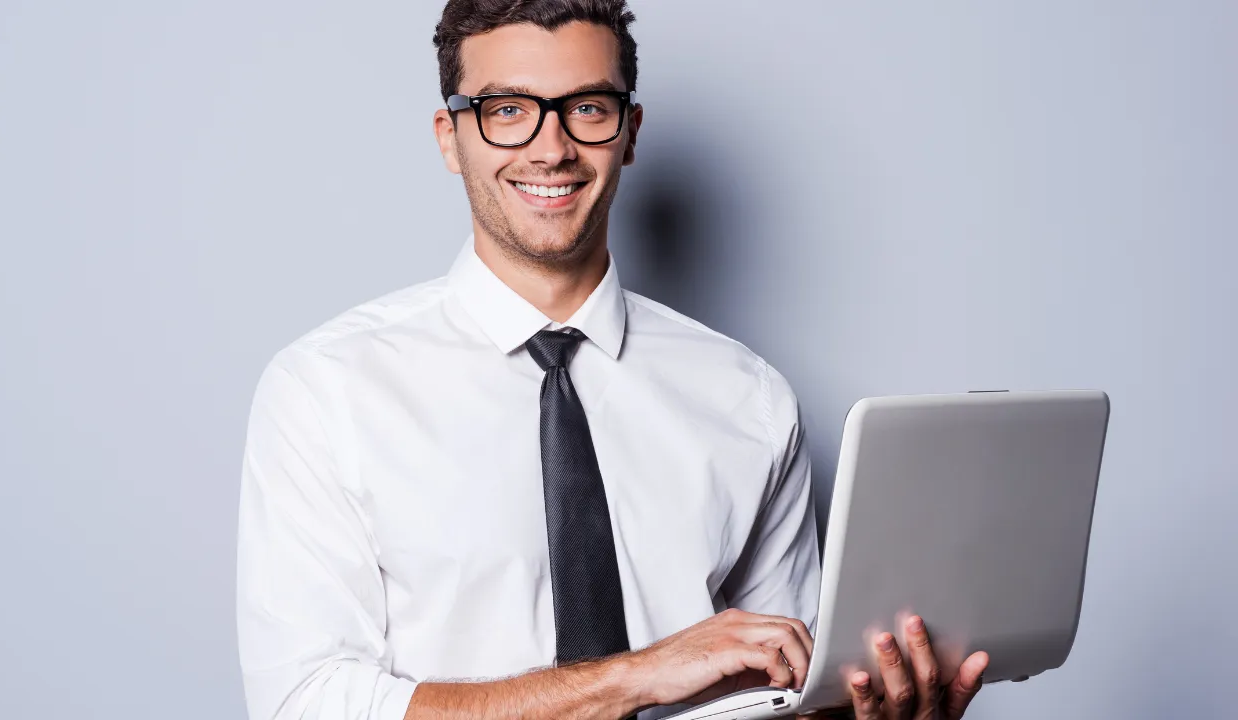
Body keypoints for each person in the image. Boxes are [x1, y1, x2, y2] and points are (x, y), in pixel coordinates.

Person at [235, 2, 989, 719]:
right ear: (448, 137)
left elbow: (777, 690)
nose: (550, 146)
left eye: (587, 107)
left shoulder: (749, 400)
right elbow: (305, 703)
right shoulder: (327, 390)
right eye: (506, 111)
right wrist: (634, 674)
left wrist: (868, 710)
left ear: (628, 131)